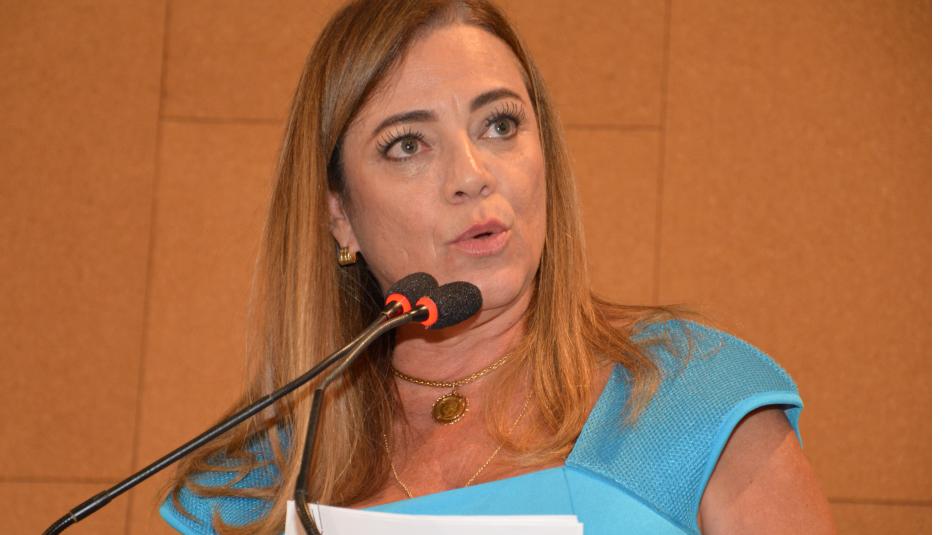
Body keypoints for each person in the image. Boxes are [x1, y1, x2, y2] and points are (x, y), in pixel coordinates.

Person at [161, 1, 836, 534]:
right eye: (408, 144)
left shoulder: (694, 400)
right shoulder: (253, 484)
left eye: (499, 125)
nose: (472, 174)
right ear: (339, 213)